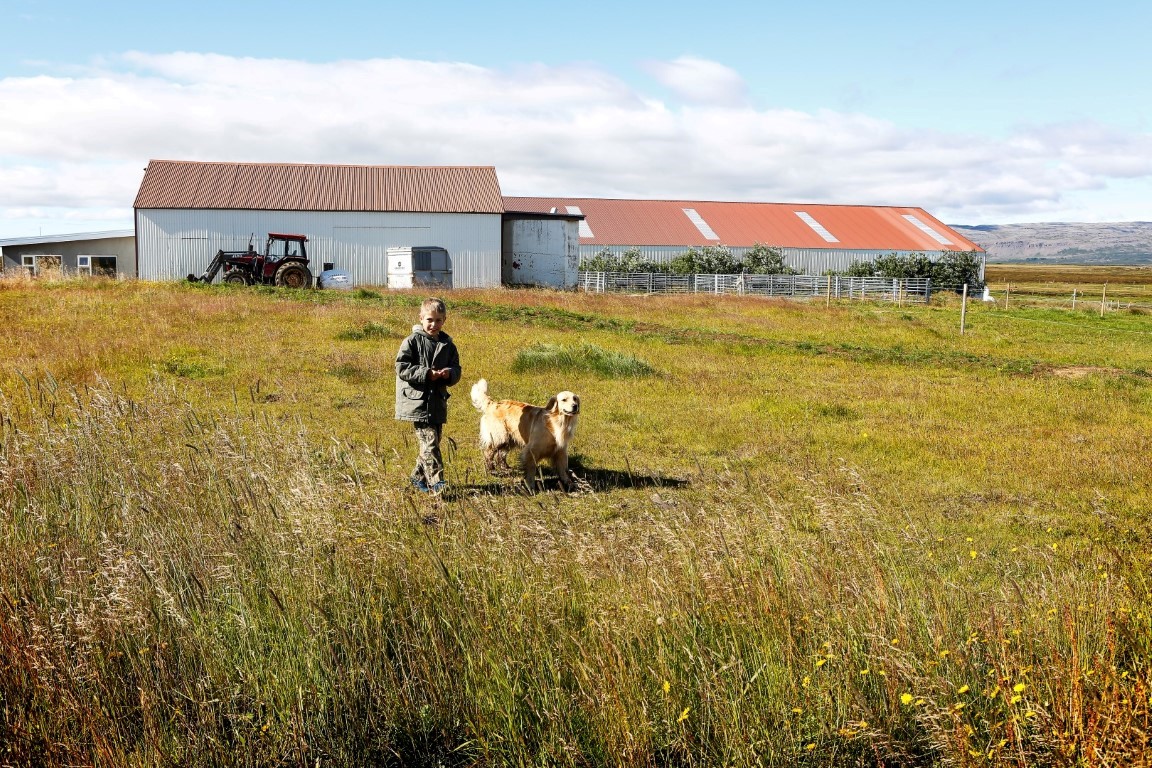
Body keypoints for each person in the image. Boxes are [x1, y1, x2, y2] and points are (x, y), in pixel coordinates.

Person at [395, 297, 462, 493]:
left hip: (437, 401)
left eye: (438, 320)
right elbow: (402, 367)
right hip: (417, 402)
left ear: (444, 320)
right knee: (430, 443)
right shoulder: (412, 341)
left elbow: (457, 368)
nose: (433, 324)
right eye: (429, 320)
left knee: (431, 443)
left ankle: (417, 478)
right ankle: (436, 482)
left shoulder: (448, 345)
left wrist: (450, 374)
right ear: (421, 318)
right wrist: (426, 373)